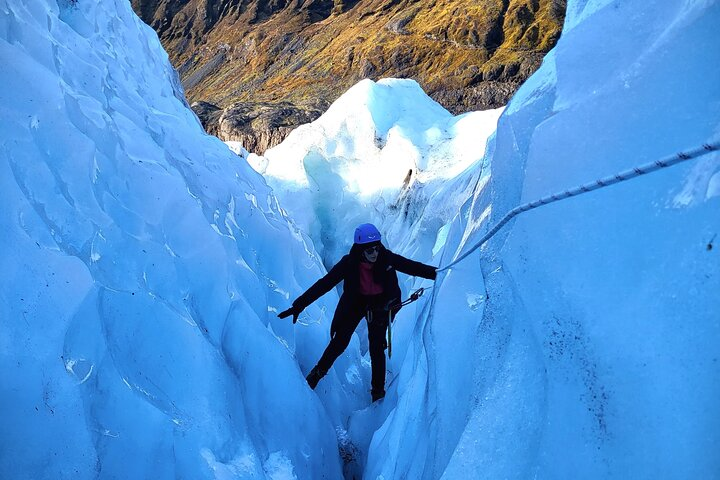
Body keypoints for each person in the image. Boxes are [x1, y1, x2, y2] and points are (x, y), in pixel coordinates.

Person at [278, 223, 437, 402]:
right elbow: (325, 284)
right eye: (370, 251)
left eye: (377, 248)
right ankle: (317, 374)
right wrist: (299, 305)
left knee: (377, 348)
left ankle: (377, 394)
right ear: (361, 250)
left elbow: (410, 266)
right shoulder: (349, 263)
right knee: (339, 341)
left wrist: (436, 273)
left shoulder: (386, 258)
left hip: (380, 306)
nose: (375, 254)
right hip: (356, 303)